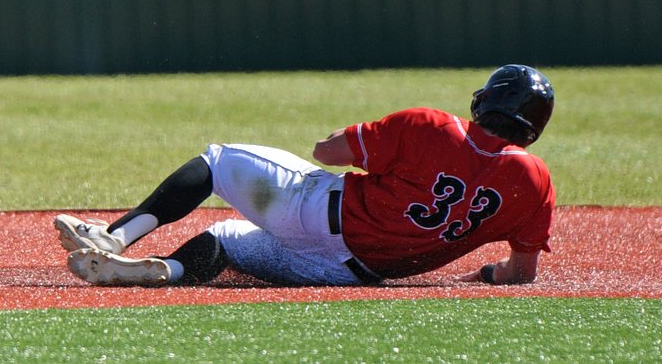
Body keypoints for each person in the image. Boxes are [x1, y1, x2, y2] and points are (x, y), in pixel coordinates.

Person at [54, 64, 555, 287]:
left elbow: (328, 151)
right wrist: (486, 274)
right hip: (350, 272)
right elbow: (522, 273)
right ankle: (171, 270)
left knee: (216, 161)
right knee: (228, 241)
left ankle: (113, 237)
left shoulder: (434, 126)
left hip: (319, 215)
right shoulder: (537, 185)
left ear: (488, 98)